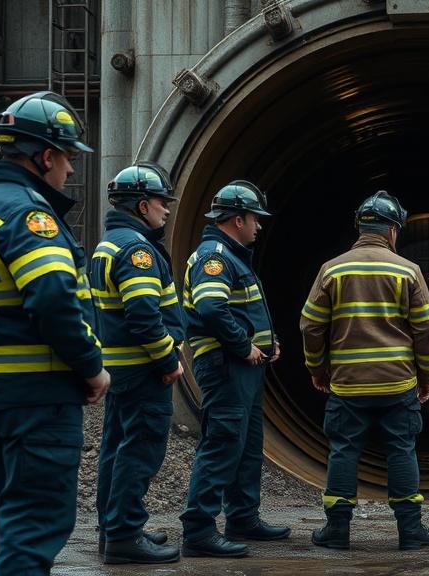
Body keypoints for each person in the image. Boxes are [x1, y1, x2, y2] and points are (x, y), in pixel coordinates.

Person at [0, 91, 110, 575]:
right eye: (68, 158)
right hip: (40, 396)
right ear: (45, 156)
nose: (72, 170)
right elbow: (54, 300)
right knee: (33, 523)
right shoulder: (31, 216)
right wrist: (92, 367)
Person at [301, 190, 429, 551]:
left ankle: (337, 531)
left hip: (347, 386)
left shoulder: (332, 269)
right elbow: (426, 328)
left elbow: (311, 326)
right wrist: (427, 377)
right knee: (401, 450)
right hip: (398, 384)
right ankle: (410, 532)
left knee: (344, 451)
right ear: (392, 230)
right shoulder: (408, 271)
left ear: (361, 227)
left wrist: (318, 368)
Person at [179, 180, 288, 558]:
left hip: (242, 367)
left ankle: (243, 517)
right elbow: (211, 308)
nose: (259, 227)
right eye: (255, 219)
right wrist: (244, 347)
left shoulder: (233, 256)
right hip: (227, 367)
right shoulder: (216, 257)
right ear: (237, 218)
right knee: (223, 444)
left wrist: (265, 341)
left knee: (246, 445)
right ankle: (199, 529)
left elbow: (237, 310)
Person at [91, 163, 186, 564]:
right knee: (141, 449)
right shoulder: (137, 250)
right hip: (144, 370)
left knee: (116, 446)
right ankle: (126, 535)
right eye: (162, 202)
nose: (166, 210)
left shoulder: (108, 244)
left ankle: (112, 527)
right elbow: (144, 314)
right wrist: (168, 359)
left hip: (119, 369)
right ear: (142, 204)